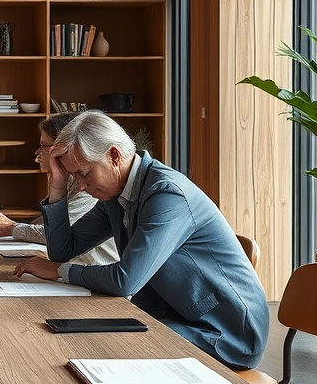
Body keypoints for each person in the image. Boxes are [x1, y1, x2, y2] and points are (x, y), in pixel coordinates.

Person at [13, 110, 268, 370]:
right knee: (74, 343)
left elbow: (125, 280)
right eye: (75, 177)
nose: (80, 186)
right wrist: (57, 186)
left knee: (93, 351)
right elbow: (63, 250)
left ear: (114, 156)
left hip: (224, 333)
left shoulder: (167, 194)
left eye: (84, 173)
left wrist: (59, 271)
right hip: (172, 316)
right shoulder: (115, 194)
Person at [0, 113, 118, 266]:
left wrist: (12, 227)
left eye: (43, 145)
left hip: (95, 274)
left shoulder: (90, 188)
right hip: (80, 270)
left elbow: (58, 236)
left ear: (62, 149)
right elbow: (52, 232)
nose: (37, 154)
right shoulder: (68, 183)